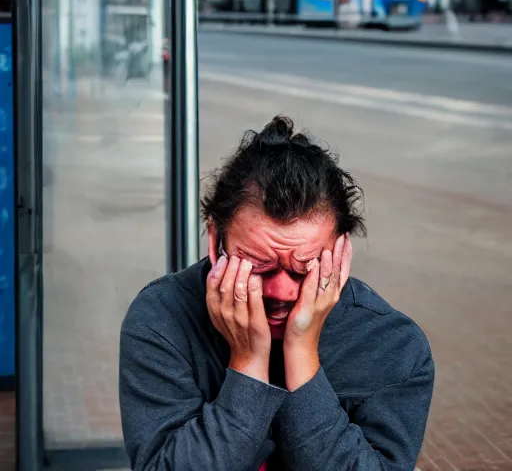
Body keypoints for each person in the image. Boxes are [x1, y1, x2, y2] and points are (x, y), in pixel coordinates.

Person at [119, 115, 435, 471]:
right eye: (258, 264)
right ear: (214, 241)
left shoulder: (393, 346)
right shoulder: (162, 318)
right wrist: (248, 365)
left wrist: (301, 356)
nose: (281, 290)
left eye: (306, 268)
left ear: (342, 251)